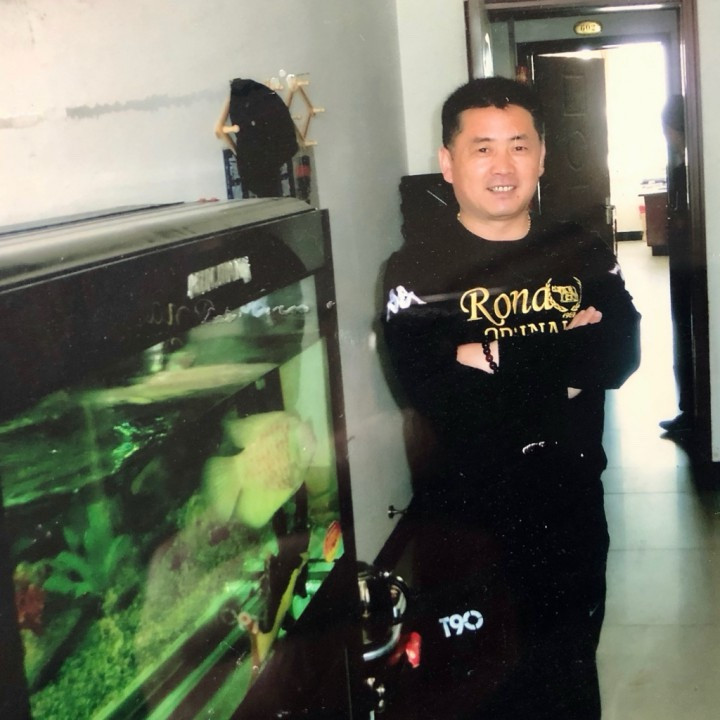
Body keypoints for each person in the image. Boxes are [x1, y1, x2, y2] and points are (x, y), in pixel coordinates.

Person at [380, 77, 641, 719]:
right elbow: (431, 391)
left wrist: (487, 357)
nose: (503, 166)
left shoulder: (581, 251)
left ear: (542, 156)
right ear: (448, 162)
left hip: (570, 504)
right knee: (477, 685)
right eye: (483, 148)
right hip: (465, 516)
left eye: (519, 146)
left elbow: (619, 354)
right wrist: (563, 360)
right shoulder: (415, 270)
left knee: (568, 670)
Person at [658, 94, 694, 437]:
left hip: (690, 265)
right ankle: (690, 408)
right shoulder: (685, 164)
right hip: (686, 264)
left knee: (687, 332)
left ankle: (693, 410)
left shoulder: (690, 171)